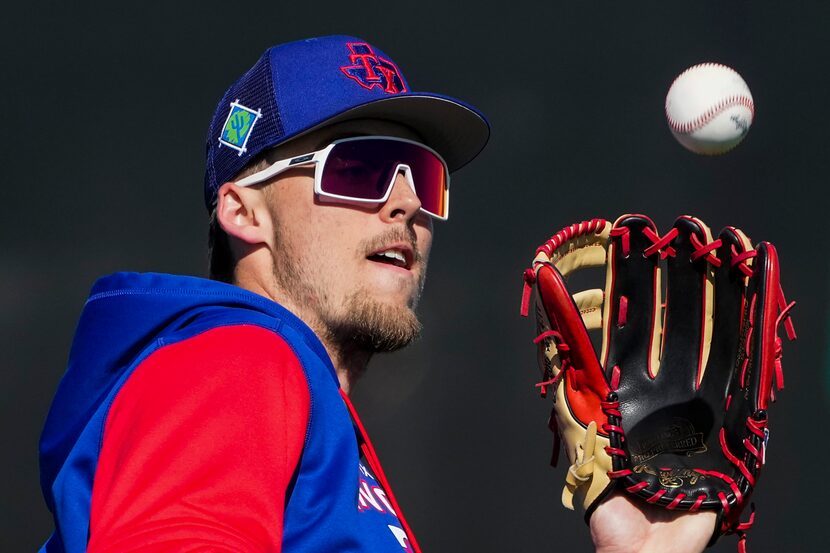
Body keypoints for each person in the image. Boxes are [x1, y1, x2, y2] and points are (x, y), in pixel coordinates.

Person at [37, 35, 716, 553]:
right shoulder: (236, 360)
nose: (405, 203)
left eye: (423, 175)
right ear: (244, 212)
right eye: (357, 168)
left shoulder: (303, 409)